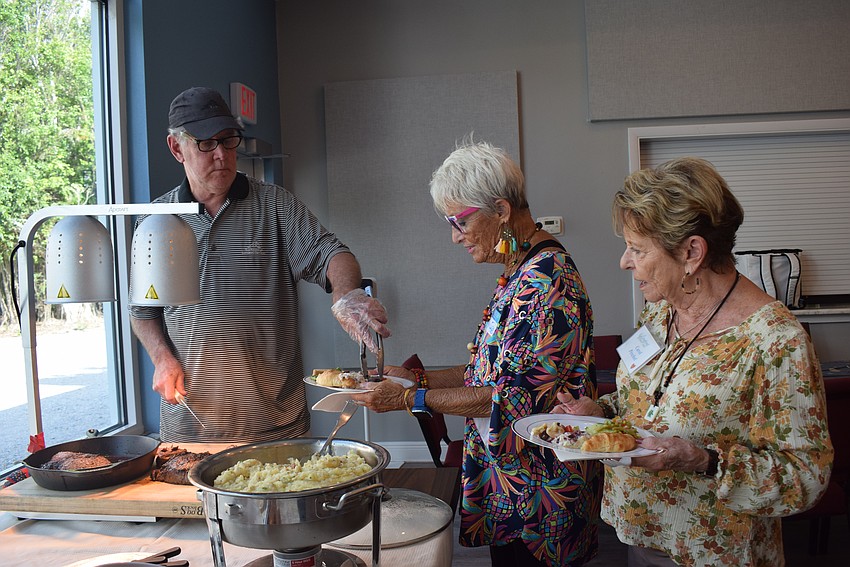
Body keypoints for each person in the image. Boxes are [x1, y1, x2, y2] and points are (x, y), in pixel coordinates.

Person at [553, 157, 833, 566]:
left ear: (692, 252)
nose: (624, 262)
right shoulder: (662, 309)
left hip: (712, 550)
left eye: (636, 249)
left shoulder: (774, 340)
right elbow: (649, 400)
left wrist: (703, 460)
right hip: (642, 530)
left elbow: (806, 478)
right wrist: (600, 413)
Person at [354, 140, 601, 567]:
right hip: (513, 483)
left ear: (501, 211)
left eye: (459, 221)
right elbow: (486, 371)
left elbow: (510, 398)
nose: (454, 236)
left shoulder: (545, 283)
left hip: (539, 493)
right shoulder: (519, 269)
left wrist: (408, 399)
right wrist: (417, 380)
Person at [130, 86, 390, 443]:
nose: (221, 154)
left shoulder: (275, 205)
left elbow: (334, 254)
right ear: (177, 148)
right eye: (206, 143)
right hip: (191, 426)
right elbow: (143, 312)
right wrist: (161, 357)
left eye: (228, 140)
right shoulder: (154, 221)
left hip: (276, 425)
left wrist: (347, 295)